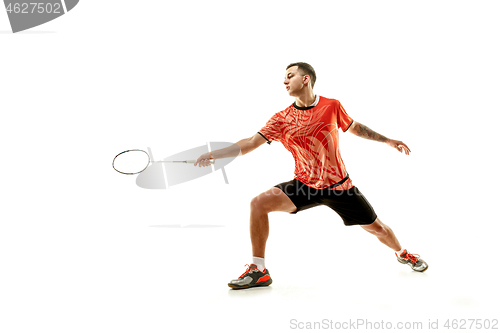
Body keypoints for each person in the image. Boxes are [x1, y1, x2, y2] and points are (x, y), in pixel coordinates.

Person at [195, 62, 428, 290]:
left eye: (290, 75)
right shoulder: (282, 119)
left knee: (379, 229)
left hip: (339, 187)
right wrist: (218, 154)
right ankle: (259, 270)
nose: (284, 81)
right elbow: (251, 142)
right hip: (304, 186)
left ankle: (403, 253)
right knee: (258, 203)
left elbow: (354, 127)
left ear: (305, 79)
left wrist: (388, 140)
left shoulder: (331, 106)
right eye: (284, 77)